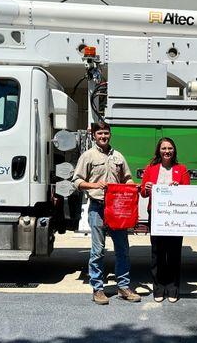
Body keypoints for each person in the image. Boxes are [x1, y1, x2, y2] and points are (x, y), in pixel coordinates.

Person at [72, 121, 141, 305]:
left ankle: (123, 287)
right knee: (98, 251)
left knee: (123, 250)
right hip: (98, 208)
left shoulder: (118, 156)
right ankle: (98, 289)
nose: (103, 136)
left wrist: (131, 187)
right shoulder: (88, 156)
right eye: (100, 133)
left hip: (118, 209)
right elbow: (77, 181)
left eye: (106, 133)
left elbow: (127, 178)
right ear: (94, 136)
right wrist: (95, 185)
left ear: (110, 134)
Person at [140, 137, 190, 303]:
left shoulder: (181, 169)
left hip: (176, 216)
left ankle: (173, 288)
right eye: (164, 148)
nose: (167, 151)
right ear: (159, 151)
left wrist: (179, 189)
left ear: (174, 150)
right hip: (156, 215)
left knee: (174, 252)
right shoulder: (151, 168)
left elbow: (188, 193)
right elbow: (143, 192)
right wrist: (146, 188)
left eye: (170, 148)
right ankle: (159, 288)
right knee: (157, 253)